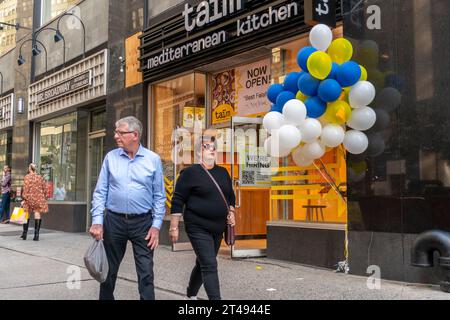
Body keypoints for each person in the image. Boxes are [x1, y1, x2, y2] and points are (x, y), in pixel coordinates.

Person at [89, 116, 166, 300]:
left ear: (134, 135)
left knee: (146, 272)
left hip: (143, 224)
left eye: (120, 132)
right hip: (114, 221)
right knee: (108, 272)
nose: (116, 136)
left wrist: (156, 226)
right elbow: (100, 192)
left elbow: (159, 196)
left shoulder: (153, 159)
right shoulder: (111, 158)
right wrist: (97, 222)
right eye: (116, 132)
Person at [169, 135, 236, 300]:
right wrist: (174, 226)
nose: (212, 149)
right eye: (207, 146)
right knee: (210, 264)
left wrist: (232, 213)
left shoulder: (222, 172)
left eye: (214, 147)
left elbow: (230, 196)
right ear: (199, 152)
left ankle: (191, 294)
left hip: (218, 227)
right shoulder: (190, 173)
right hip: (197, 226)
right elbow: (177, 199)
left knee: (203, 263)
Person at [21, 163, 48, 241]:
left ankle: (24, 233)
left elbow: (25, 188)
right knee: (37, 213)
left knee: (26, 213)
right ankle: (36, 235)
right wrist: (44, 197)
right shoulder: (40, 177)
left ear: (30, 168)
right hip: (38, 198)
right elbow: (45, 188)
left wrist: (24, 198)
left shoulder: (27, 177)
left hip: (29, 197)